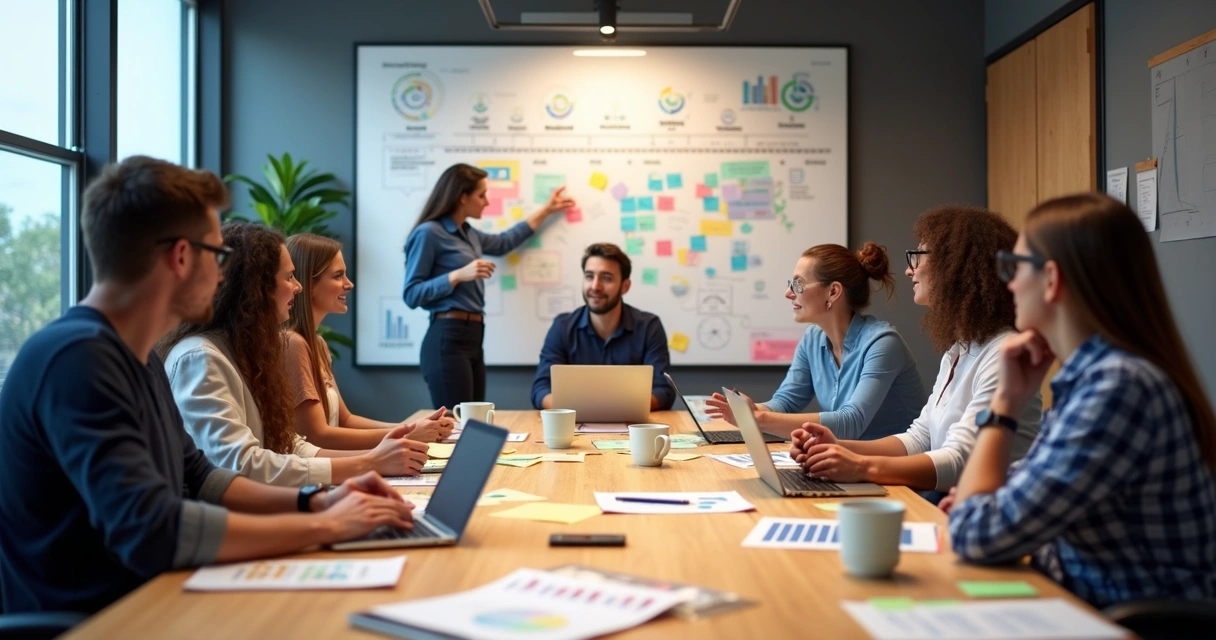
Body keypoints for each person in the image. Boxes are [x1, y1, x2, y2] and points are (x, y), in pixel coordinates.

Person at [0, 156, 415, 614]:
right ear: (181, 257)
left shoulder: (136, 356)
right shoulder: (78, 360)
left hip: (152, 597)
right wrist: (328, 526)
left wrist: (315, 504)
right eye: (217, 255)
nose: (222, 275)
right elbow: (151, 529)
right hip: (101, 619)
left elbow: (199, 475)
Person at [946, 193, 1216, 608]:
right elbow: (1025, 485)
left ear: (1051, 279)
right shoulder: (1096, 378)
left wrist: (1005, 404)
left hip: (1121, 622)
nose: (1009, 282)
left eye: (1016, 266)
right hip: (1080, 603)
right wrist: (988, 500)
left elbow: (975, 534)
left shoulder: (1117, 388)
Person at [790, 206, 1042, 499]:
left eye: (918, 256)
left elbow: (960, 461)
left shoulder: (1002, 354)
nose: (909, 269)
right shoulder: (958, 351)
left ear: (955, 264)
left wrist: (860, 466)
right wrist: (836, 447)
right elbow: (921, 438)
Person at [162, 221, 432, 487]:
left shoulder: (249, 350)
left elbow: (288, 444)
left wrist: (375, 459)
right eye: (289, 277)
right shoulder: (199, 358)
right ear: (257, 287)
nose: (298, 286)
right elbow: (240, 464)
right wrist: (369, 463)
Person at [704, 243, 925, 440]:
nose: (788, 293)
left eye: (798, 284)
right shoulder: (812, 339)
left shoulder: (883, 343)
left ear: (833, 292)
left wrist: (758, 419)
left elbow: (850, 423)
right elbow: (786, 402)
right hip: (849, 462)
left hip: (900, 469)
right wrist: (753, 409)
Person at [404, 163, 576, 409]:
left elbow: (505, 241)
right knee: (456, 423)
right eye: (481, 195)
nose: (487, 202)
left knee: (475, 419)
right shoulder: (429, 233)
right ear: (462, 197)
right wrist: (457, 275)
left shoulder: (469, 233)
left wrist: (547, 210)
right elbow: (411, 294)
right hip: (447, 336)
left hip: (474, 335)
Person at [284, 233, 455, 450]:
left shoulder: (317, 344)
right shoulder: (293, 344)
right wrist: (409, 434)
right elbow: (318, 436)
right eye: (338, 276)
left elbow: (345, 420)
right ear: (308, 285)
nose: (349, 284)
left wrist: (411, 428)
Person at [530, 243, 674, 410]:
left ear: (625, 286)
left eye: (606, 278)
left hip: (632, 423)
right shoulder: (562, 327)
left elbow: (664, 390)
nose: (595, 286)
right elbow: (541, 389)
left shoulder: (649, 327)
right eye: (589, 276)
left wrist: (606, 409)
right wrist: (588, 410)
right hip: (575, 422)